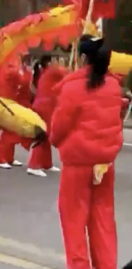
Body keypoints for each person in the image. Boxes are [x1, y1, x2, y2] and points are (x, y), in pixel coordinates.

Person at [51, 36, 122, 269]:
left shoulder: (72, 87)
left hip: (78, 165)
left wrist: (55, 141)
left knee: (74, 223)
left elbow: (58, 129)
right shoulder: (113, 85)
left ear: (82, 58)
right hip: (104, 164)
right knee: (103, 221)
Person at [27, 55, 67, 177]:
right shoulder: (52, 72)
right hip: (44, 107)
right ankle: (33, 165)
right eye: (57, 60)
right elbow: (69, 75)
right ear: (50, 63)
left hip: (45, 106)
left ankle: (46, 163)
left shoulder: (46, 72)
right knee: (43, 135)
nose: (60, 63)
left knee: (47, 134)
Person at [0, 57, 32, 169]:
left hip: (12, 101)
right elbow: (23, 80)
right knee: (8, 131)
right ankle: (0, 158)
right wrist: (26, 72)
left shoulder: (13, 66)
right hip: (8, 102)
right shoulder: (11, 68)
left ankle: (9, 157)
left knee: (12, 130)